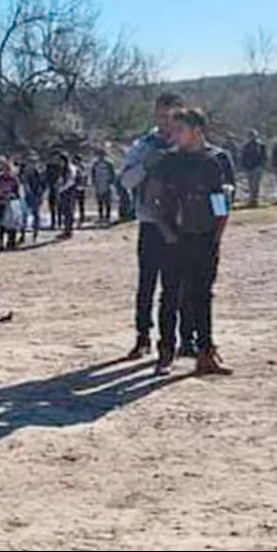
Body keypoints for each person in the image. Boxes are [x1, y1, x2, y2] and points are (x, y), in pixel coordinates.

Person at [147, 107, 233, 377]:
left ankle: (206, 353)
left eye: (180, 129)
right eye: (173, 130)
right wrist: (166, 231)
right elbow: (152, 201)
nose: (174, 135)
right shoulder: (167, 161)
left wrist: (216, 236)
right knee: (170, 295)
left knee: (202, 296)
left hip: (204, 239)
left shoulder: (212, 162)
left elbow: (220, 204)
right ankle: (166, 353)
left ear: (197, 130)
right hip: (173, 240)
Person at [119, 92, 184, 359]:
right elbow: (125, 182)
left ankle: (168, 342)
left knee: (173, 286)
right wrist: (145, 166)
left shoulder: (187, 144)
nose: (166, 122)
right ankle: (142, 335)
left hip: (180, 225)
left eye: (172, 116)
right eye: (161, 115)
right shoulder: (143, 145)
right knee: (147, 284)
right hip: (149, 223)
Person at [21, 153, 47, 241]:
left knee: (36, 215)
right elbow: (25, 183)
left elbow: (44, 184)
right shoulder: (26, 170)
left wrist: (41, 194)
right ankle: (23, 235)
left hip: (36, 195)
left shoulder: (40, 171)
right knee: (24, 215)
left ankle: (35, 234)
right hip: (29, 195)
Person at [238, 130, 268, 207]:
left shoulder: (261, 145)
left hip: (257, 167)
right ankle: (251, 200)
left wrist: (263, 165)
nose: (252, 137)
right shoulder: (246, 146)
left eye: (253, 135)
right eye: (250, 135)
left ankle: (254, 200)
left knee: (255, 185)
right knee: (250, 185)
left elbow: (264, 157)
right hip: (249, 168)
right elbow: (243, 156)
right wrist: (243, 166)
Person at [91, 149, 116, 223]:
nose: (101, 156)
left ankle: (107, 216)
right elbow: (93, 174)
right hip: (99, 185)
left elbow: (112, 174)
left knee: (107, 202)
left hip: (107, 185)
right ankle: (101, 216)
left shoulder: (109, 164)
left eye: (102, 155)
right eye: (99, 155)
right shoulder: (95, 164)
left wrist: (111, 182)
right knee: (100, 202)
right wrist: (94, 183)